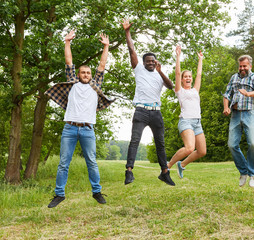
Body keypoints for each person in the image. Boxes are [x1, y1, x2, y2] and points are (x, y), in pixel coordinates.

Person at [45, 30, 115, 208]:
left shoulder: (95, 85)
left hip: (87, 129)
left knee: (91, 161)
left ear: (91, 75)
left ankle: (97, 192)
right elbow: (68, 62)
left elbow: (102, 64)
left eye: (88, 73)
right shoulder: (73, 83)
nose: (85, 74)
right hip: (69, 128)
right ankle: (59, 194)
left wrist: (106, 46)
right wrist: (67, 42)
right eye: (82, 72)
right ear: (78, 74)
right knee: (63, 163)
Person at [121, 19, 175, 186]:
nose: (151, 63)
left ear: (156, 62)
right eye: (148, 61)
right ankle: (129, 172)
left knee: (160, 143)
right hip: (141, 112)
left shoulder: (159, 73)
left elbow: (171, 86)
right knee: (135, 140)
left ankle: (164, 172)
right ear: (144, 62)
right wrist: (127, 32)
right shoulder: (138, 69)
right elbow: (131, 50)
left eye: (153, 61)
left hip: (156, 112)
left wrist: (161, 71)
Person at [223, 55, 254, 188]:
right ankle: (243, 172)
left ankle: (253, 174)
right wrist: (226, 108)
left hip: (250, 113)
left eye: (244, 66)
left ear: (250, 66)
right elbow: (226, 94)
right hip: (235, 114)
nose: (242, 68)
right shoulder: (234, 77)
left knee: (252, 143)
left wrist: (247, 94)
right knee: (231, 144)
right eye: (240, 66)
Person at [167, 45, 207, 178]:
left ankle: (182, 165)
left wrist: (200, 59)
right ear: (183, 79)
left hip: (197, 123)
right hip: (186, 122)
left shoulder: (195, 90)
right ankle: (167, 166)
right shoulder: (180, 91)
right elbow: (177, 74)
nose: (188, 78)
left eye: (190, 76)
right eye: (186, 77)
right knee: (190, 148)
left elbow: (199, 75)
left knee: (202, 151)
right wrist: (178, 56)